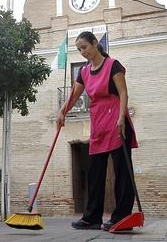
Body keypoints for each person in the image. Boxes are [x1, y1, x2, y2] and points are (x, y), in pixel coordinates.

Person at [57, 31, 138, 231]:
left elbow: (123, 93)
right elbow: (75, 95)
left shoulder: (113, 65)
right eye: (79, 49)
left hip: (117, 121)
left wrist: (121, 118)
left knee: (122, 172)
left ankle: (121, 217)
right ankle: (92, 218)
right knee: (95, 171)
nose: (82, 52)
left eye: (84, 47)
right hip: (99, 122)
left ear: (95, 44)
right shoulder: (84, 72)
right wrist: (62, 111)